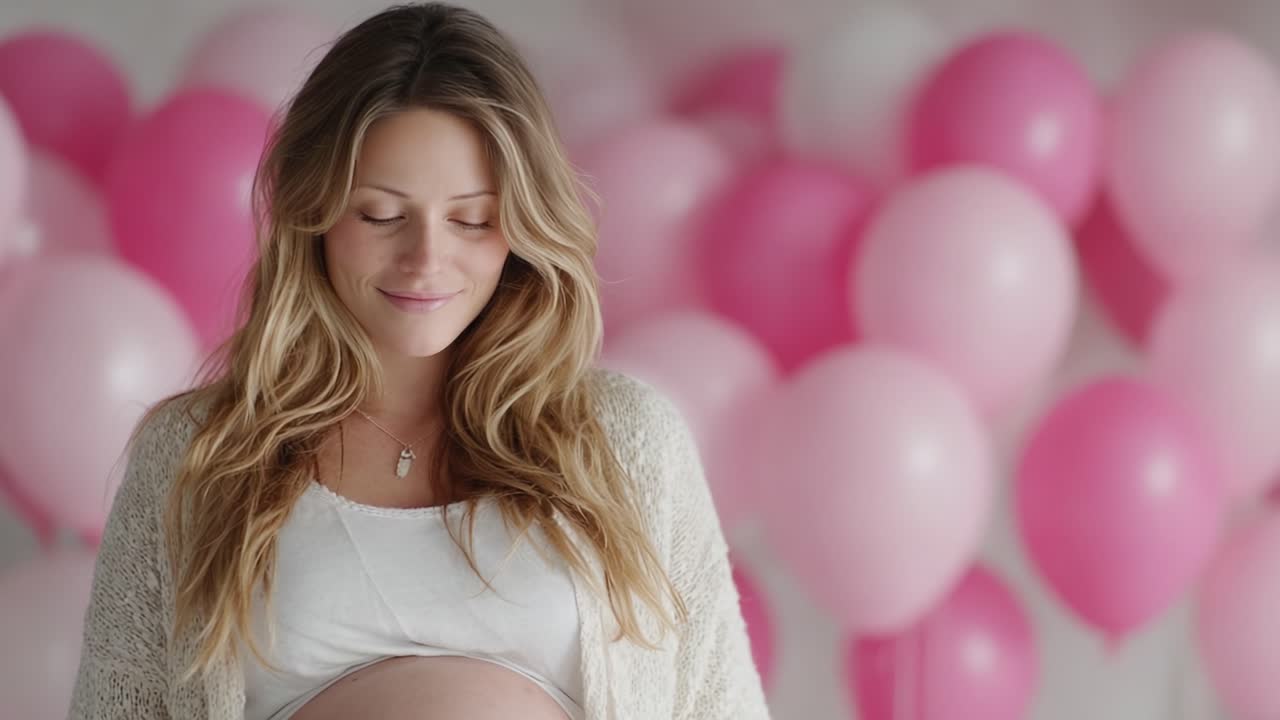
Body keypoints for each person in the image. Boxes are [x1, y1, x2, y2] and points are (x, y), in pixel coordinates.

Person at [67, 2, 770, 719]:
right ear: (315, 216)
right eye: (380, 215)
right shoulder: (196, 455)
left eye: (470, 219)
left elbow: (719, 703)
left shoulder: (627, 443)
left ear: (522, 226)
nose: (426, 260)